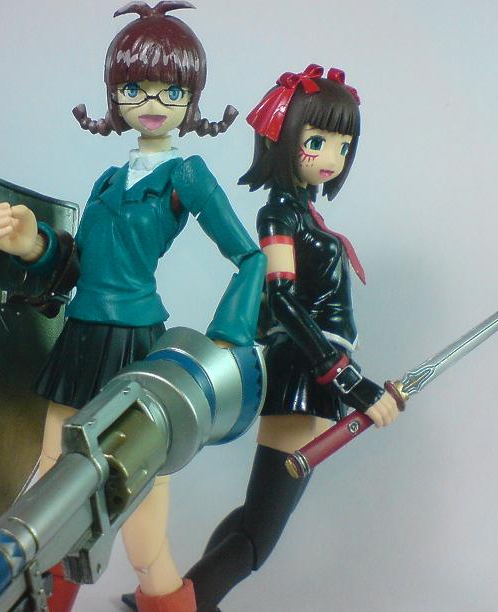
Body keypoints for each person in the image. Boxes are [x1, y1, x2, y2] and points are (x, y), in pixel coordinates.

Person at [0, 3, 265, 611]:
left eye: (171, 90)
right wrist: (31, 242)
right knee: (51, 491)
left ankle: (166, 601)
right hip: (81, 340)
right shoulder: (109, 180)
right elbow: (76, 266)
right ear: (115, 96)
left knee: (138, 508)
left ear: (190, 98)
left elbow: (249, 257)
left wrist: (224, 344)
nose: (152, 103)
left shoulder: (186, 175)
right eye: (134, 88)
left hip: (137, 349)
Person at [183, 64, 400, 611]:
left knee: (254, 518)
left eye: (343, 146)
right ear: (282, 138)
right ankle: (176, 605)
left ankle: (178, 599)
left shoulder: (303, 212)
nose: (333, 157)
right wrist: (348, 380)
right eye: (318, 142)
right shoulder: (280, 214)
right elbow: (281, 300)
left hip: (313, 370)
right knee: (258, 538)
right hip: (305, 373)